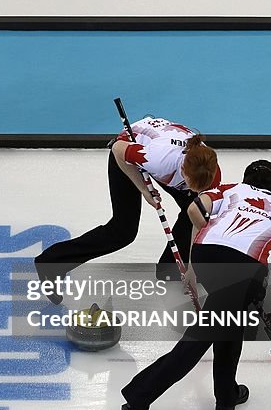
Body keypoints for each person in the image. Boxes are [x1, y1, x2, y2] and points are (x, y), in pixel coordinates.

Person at [120, 160, 271, 410]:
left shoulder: (230, 189)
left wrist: (193, 266)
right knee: (197, 341)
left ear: (247, 180)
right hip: (244, 271)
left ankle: (227, 396)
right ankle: (139, 397)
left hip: (206, 257)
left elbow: (193, 208)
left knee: (229, 320)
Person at [34, 117, 220, 302]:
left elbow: (199, 218)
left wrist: (192, 270)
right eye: (189, 185)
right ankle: (52, 262)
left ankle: (170, 268)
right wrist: (144, 190)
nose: (193, 191)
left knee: (195, 209)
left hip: (158, 148)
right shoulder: (157, 160)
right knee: (123, 231)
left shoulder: (211, 173)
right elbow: (117, 149)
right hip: (127, 151)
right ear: (183, 171)